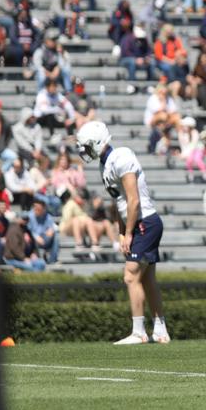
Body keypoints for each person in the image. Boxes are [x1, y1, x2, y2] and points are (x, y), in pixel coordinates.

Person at [77, 121, 169, 345]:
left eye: (88, 147)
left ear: (98, 143)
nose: (86, 152)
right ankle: (160, 329)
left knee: (130, 276)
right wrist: (120, 232)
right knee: (147, 279)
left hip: (144, 221)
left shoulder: (121, 156)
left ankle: (139, 331)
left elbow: (133, 200)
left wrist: (128, 233)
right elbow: (119, 202)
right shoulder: (105, 163)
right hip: (137, 223)